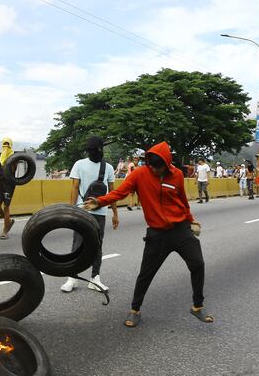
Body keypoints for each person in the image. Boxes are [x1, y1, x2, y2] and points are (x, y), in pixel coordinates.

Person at [84, 141, 211, 328]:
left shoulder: (176, 175)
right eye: (150, 165)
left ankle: (197, 306)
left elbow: (182, 201)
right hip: (157, 234)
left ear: (167, 164)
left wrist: (191, 219)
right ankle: (135, 310)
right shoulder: (139, 174)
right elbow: (120, 193)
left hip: (181, 229)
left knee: (198, 264)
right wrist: (100, 202)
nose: (153, 169)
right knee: (146, 274)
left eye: (157, 167)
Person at [60, 136, 119, 293]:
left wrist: (115, 213)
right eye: (90, 150)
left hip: (100, 212)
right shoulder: (79, 164)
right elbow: (74, 188)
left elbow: (113, 192)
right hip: (81, 210)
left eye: (95, 150)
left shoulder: (108, 168)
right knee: (77, 245)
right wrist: (71, 209)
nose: (92, 153)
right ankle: (72, 278)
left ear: (100, 150)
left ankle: (95, 278)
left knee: (97, 245)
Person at [0, 137, 16, 240]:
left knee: (6, 207)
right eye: (4, 144)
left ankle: (5, 231)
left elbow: (14, 169)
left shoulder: (14, 156)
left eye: (7, 144)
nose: (6, 146)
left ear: (10, 144)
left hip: (9, 183)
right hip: (1, 183)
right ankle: (8, 221)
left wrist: (10, 161)